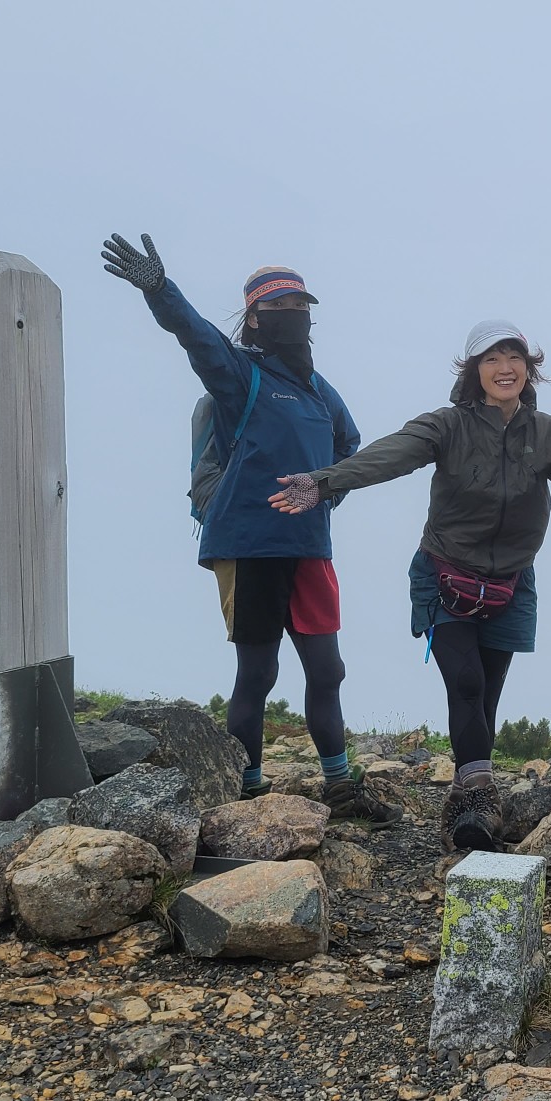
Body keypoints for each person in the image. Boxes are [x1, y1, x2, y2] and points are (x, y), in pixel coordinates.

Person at [270, 320, 551, 850]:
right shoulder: (447, 425)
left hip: (511, 582)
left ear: (529, 368)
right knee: (465, 682)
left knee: (486, 695)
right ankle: (474, 806)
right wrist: (324, 482)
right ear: (474, 371)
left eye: (514, 356)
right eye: (491, 359)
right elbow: (389, 455)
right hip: (444, 575)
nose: (504, 367)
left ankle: (468, 798)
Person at [100, 234, 401, 826]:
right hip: (249, 542)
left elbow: (349, 443)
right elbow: (197, 336)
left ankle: (339, 787)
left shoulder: (320, 390)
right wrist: (160, 290)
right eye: (279, 308)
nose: (293, 316)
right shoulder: (242, 375)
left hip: (308, 545)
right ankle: (247, 789)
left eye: (300, 306)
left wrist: (326, 489)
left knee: (326, 667)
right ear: (255, 320)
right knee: (258, 672)